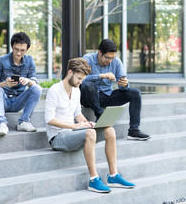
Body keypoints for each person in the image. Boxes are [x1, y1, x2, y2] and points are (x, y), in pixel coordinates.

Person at [45, 57, 135, 193]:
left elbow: (77, 114)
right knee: (90, 133)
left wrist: (87, 122)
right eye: (79, 78)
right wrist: (75, 126)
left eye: (82, 79)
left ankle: (113, 176)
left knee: (109, 130)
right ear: (70, 73)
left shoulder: (76, 90)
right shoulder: (54, 90)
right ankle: (93, 179)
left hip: (72, 134)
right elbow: (49, 119)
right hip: (58, 137)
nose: (81, 82)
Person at [81, 39, 150, 141]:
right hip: (88, 97)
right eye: (107, 58)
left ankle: (134, 130)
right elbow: (80, 79)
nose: (110, 61)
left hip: (106, 96)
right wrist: (101, 76)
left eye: (112, 58)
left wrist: (124, 85)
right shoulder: (87, 59)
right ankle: (101, 115)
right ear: (100, 52)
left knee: (135, 93)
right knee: (88, 85)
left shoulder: (116, 62)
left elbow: (123, 83)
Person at [0, 32, 42, 137]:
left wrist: (28, 81)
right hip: (1, 100)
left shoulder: (30, 60)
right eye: (16, 49)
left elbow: (34, 81)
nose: (18, 53)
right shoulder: (0, 61)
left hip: (18, 101)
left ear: (27, 50)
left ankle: (24, 122)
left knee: (37, 88)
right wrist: (4, 84)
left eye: (22, 50)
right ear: (12, 46)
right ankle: (2, 124)